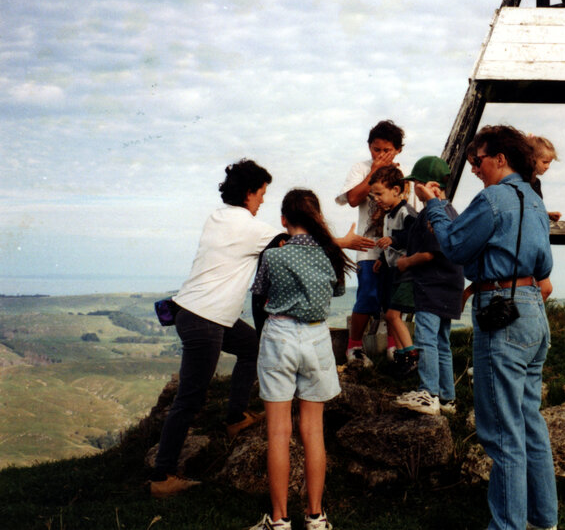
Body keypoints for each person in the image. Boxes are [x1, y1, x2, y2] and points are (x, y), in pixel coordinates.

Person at [414, 125, 558, 530]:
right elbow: (544, 266)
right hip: (532, 309)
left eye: (478, 160)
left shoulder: (493, 198)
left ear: (501, 159)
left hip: (499, 310)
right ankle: (543, 521)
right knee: (530, 422)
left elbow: (456, 247)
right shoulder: (533, 199)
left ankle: (508, 526)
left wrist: (436, 206)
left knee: (501, 432)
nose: (474, 168)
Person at [150, 159, 281, 498]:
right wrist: (342, 241)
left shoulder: (217, 217)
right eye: (262, 194)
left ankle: (235, 416)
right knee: (189, 400)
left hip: (193, 312)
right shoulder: (251, 228)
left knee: (250, 345)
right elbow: (297, 239)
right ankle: (162, 477)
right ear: (250, 192)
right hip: (205, 320)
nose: (263, 201)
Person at [248, 189, 350, 530]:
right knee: (313, 431)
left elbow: (259, 294)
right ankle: (316, 516)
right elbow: (336, 291)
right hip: (318, 336)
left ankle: (279, 520)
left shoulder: (273, 256)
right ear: (315, 217)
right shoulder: (329, 254)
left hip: (280, 335)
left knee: (278, 432)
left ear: (283, 220)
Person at [393, 156, 466, 416]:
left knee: (426, 338)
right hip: (450, 285)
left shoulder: (434, 214)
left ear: (428, 184)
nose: (413, 187)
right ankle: (447, 398)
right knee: (441, 341)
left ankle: (429, 393)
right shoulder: (450, 211)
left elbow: (431, 253)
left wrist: (405, 262)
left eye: (415, 182)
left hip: (432, 284)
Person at [336, 120, 405, 367]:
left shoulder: (404, 173)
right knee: (367, 295)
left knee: (393, 298)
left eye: (386, 150)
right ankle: (354, 347)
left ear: (398, 150)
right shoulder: (361, 168)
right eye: (376, 149)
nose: (380, 155)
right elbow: (353, 199)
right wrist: (373, 172)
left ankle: (393, 348)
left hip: (396, 247)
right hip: (367, 246)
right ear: (369, 147)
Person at [368, 165, 420, 376]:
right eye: (374, 195)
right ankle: (402, 355)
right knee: (389, 314)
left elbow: (415, 235)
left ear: (396, 191)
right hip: (393, 271)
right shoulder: (389, 215)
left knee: (392, 315)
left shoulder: (405, 213)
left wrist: (395, 240)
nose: (376, 199)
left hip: (407, 272)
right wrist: (382, 257)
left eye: (379, 194)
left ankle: (411, 355)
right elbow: (390, 243)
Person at [528, 134, 562, 220]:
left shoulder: (536, 183)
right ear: (531, 158)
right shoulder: (520, 182)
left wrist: (547, 214)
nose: (547, 167)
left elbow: (534, 210)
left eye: (549, 163)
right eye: (545, 162)